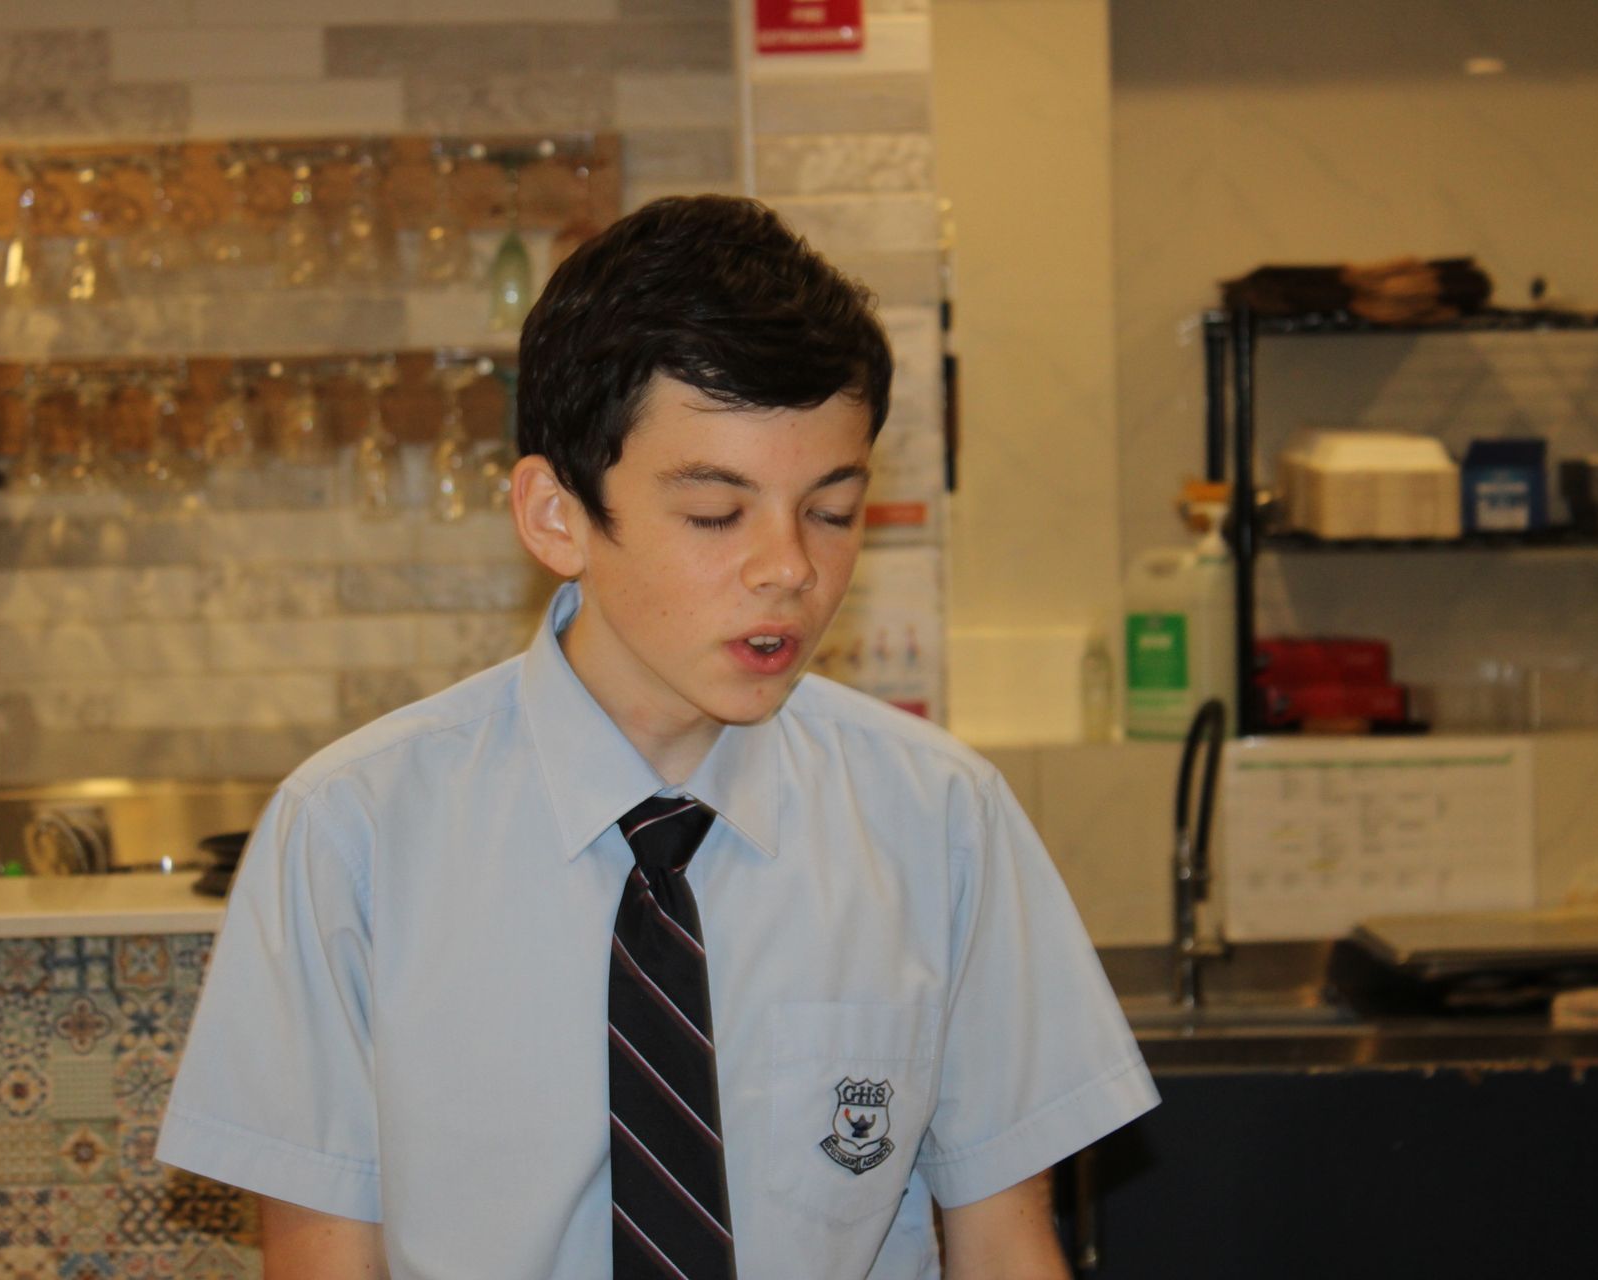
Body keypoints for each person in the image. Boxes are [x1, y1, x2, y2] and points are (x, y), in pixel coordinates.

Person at [157, 195, 1156, 1278]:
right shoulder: (351, 834)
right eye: (717, 513)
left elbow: (1007, 1241)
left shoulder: (938, 818)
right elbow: (320, 1255)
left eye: (830, 508)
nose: (789, 567)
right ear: (555, 516)